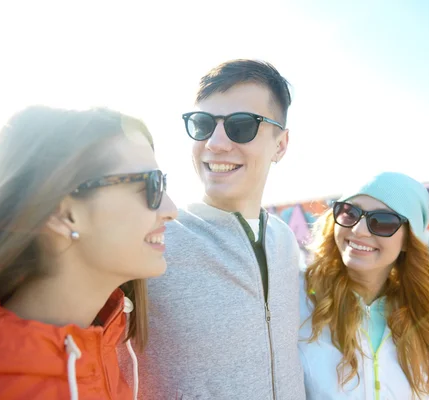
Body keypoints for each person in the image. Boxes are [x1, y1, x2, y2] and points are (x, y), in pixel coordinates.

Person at [0, 106, 177, 400]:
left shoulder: (102, 351)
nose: (171, 210)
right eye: (151, 185)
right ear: (62, 213)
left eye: (164, 183)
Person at [119, 59, 305, 399]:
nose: (216, 142)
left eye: (242, 125)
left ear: (281, 144)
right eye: (203, 124)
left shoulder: (286, 241)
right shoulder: (153, 238)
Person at [299, 171, 429, 399]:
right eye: (350, 212)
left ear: (408, 240)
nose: (358, 230)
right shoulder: (297, 296)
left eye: (382, 221)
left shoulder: (419, 314)